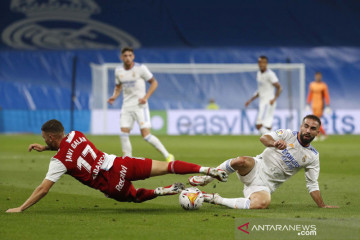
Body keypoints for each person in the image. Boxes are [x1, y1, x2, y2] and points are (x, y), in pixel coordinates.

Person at [5, 119, 227, 213]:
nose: (44, 141)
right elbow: (67, 148)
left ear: (52, 137)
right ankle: (206, 170)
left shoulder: (59, 162)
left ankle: (161, 191)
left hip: (111, 183)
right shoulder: (76, 135)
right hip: (120, 163)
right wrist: (46, 149)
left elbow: (43, 189)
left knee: (134, 196)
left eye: (45, 139)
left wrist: (21, 207)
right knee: (166, 166)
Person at [189, 115, 338, 210]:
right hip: (256, 167)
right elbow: (263, 138)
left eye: (313, 128)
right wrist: (274, 143)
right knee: (241, 160)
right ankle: (207, 178)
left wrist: (322, 205)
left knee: (262, 204)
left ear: (317, 133)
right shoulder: (286, 134)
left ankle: (214, 198)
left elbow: (312, 183)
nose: (308, 130)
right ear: (301, 126)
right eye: (306, 126)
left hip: (265, 185)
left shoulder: (312, 156)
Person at [108, 47, 174, 162]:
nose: (128, 58)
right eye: (125, 56)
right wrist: (114, 96)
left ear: (133, 57)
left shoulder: (140, 68)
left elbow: (154, 82)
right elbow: (118, 87)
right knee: (123, 133)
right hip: (126, 106)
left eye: (130, 55)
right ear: (121, 57)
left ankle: (167, 155)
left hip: (140, 106)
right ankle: (127, 160)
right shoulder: (118, 71)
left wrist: (145, 97)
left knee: (146, 136)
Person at [245, 56, 282, 134]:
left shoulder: (270, 74)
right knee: (267, 126)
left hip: (269, 102)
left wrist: (274, 99)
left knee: (259, 125)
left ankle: (274, 139)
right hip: (262, 102)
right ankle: (274, 139)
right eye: (259, 62)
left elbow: (279, 87)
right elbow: (260, 90)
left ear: (266, 63)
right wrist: (250, 100)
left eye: (263, 62)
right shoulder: (259, 74)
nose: (261, 64)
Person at [306, 72, 331, 141]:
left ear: (321, 77)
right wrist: (308, 103)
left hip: (320, 105)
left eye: (319, 76)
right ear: (315, 76)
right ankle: (323, 134)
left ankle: (318, 135)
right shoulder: (312, 85)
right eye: (317, 76)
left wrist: (328, 105)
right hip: (313, 105)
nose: (318, 77)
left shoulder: (323, 85)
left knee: (316, 120)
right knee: (316, 120)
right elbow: (310, 94)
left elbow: (326, 95)